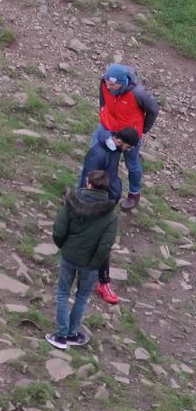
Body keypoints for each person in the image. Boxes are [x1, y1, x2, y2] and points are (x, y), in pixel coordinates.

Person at [48, 168, 120, 350]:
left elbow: (59, 229)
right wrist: (95, 263)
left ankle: (61, 336)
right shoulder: (111, 215)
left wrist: (63, 246)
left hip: (69, 256)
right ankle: (72, 334)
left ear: (88, 183)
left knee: (63, 294)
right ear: (105, 189)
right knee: (81, 297)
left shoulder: (72, 203)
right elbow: (105, 245)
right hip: (90, 264)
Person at [77, 126, 142, 304]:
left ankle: (98, 278)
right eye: (128, 147)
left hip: (107, 203)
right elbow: (88, 182)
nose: (127, 151)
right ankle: (102, 282)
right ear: (120, 141)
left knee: (100, 242)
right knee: (101, 243)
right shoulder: (98, 154)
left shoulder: (113, 150)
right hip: (96, 206)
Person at [92, 65, 159, 212]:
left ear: (123, 83)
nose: (108, 86)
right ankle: (102, 192)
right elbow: (103, 101)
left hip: (130, 136)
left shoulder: (138, 94)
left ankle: (134, 194)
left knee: (132, 164)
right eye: (107, 82)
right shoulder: (104, 83)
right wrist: (104, 115)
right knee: (108, 162)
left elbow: (154, 109)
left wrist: (144, 130)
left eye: (113, 84)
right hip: (111, 130)